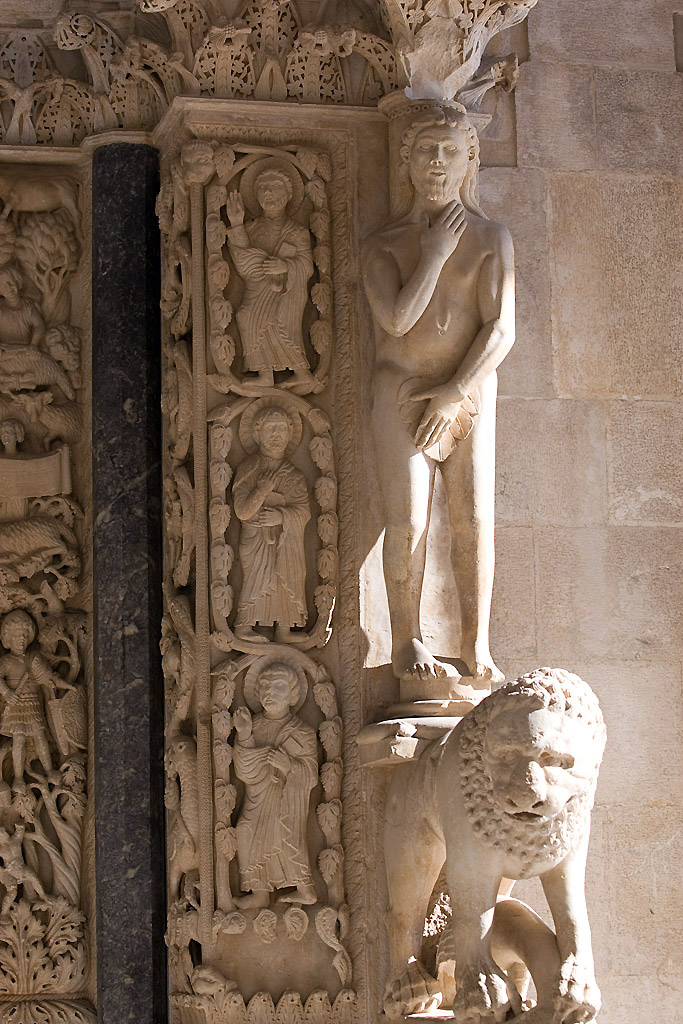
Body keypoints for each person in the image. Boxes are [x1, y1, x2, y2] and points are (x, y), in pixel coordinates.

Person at [362, 104, 515, 688]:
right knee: (408, 520)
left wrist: (455, 391)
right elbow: (397, 321)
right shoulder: (385, 245)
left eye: (451, 152)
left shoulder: (491, 238)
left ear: (469, 161)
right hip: (399, 386)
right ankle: (407, 636)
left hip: (468, 387)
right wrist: (433, 254)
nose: (437, 163)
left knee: (473, 519)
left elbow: (500, 328)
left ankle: (476, 642)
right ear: (406, 162)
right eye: (426, 150)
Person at [233, 662, 318, 909]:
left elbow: (311, 774)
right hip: (257, 799)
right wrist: (245, 734)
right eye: (265, 687)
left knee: (286, 837)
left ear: (293, 695)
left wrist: (289, 765)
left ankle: (306, 890)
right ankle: (259, 893)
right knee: (244, 831)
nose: (270, 693)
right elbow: (244, 770)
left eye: (278, 687)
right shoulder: (255, 726)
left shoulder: (302, 732)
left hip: (286, 801)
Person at [226, 167, 315, 390]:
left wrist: (285, 265)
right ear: (256, 195)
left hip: (287, 290)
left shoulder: (297, 232)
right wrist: (236, 224)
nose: (268, 193)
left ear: (288, 195)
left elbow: (306, 265)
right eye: (263, 188)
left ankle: (302, 372)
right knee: (245, 316)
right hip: (257, 287)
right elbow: (242, 260)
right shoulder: (251, 228)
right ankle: (265, 375)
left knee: (281, 322)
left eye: (275, 187)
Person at [233, 406, 310, 644]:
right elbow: (241, 510)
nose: (276, 434)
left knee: (288, 577)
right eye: (270, 428)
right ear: (257, 433)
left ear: (290, 434)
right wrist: (261, 491)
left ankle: (284, 629)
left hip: (286, 540)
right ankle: (244, 626)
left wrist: (282, 517)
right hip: (256, 538)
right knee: (257, 578)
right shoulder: (249, 469)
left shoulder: (295, 476)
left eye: (281, 429)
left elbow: (304, 512)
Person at [0, 610, 62, 788]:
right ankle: (18, 778)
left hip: (32, 702)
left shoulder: (33, 658)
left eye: (24, 636)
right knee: (19, 739)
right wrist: (6, 692)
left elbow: (47, 676)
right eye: (17, 636)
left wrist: (60, 682)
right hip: (16, 704)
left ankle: (49, 770)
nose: (21, 639)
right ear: (8, 638)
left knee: (39, 735)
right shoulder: (6, 661)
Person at [0, 264, 44, 348]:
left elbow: (39, 325)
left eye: (11, 282)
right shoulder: (1, 308)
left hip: (24, 350)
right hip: (4, 351)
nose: (8, 288)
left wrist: (33, 344)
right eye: (3, 286)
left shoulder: (28, 306)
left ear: (18, 282)